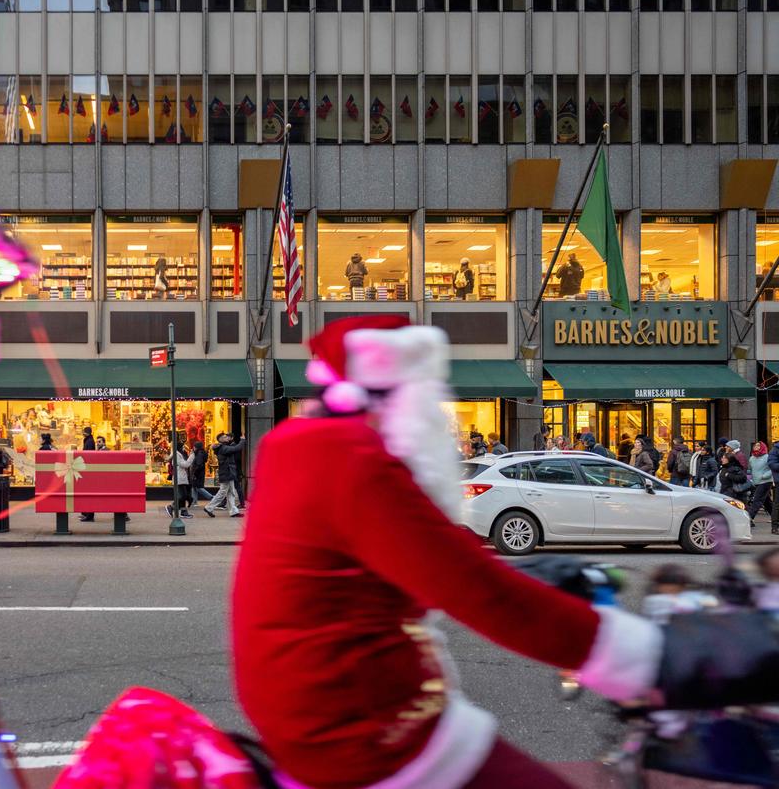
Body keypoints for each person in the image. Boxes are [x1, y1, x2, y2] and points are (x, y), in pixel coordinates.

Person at [232, 314, 749, 789]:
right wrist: (656, 658)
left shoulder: (296, 444)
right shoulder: (356, 459)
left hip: (310, 715)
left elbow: (406, 545)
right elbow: (480, 595)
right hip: (367, 725)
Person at [205, 433, 245, 517]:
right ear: (220, 440)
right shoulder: (223, 448)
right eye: (224, 437)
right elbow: (236, 448)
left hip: (228, 473)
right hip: (226, 473)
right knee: (223, 492)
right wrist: (242, 440)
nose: (226, 437)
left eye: (226, 436)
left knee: (231, 492)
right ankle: (209, 507)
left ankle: (233, 511)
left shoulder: (223, 447)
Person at [165, 441, 195, 519]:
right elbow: (185, 464)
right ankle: (171, 507)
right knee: (182, 496)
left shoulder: (178, 454)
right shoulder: (177, 455)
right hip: (179, 478)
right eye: (182, 447)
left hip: (181, 477)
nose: (184, 448)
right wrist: (192, 456)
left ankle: (184, 512)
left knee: (183, 495)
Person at [747, 441, 774, 526]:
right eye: (755, 445)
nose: (756, 447)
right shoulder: (752, 458)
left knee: (757, 500)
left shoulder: (767, 457)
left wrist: (765, 476)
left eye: (758, 445)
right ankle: (776, 518)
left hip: (766, 481)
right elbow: (750, 470)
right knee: (767, 502)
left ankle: (749, 518)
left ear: (762, 447)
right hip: (756, 482)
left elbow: (772, 468)